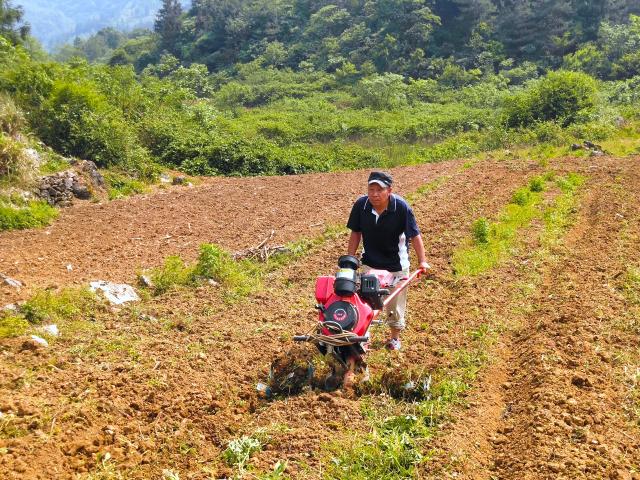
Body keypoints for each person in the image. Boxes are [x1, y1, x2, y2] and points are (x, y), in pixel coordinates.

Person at [346, 170, 429, 351]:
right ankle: (364, 337)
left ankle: (394, 338)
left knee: (394, 304)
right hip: (370, 262)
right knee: (365, 302)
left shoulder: (401, 207)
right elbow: (356, 232)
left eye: (379, 190)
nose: (374, 194)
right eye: (371, 189)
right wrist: (350, 259)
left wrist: (422, 261)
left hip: (396, 265)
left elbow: (414, 235)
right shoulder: (361, 205)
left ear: (389, 190)